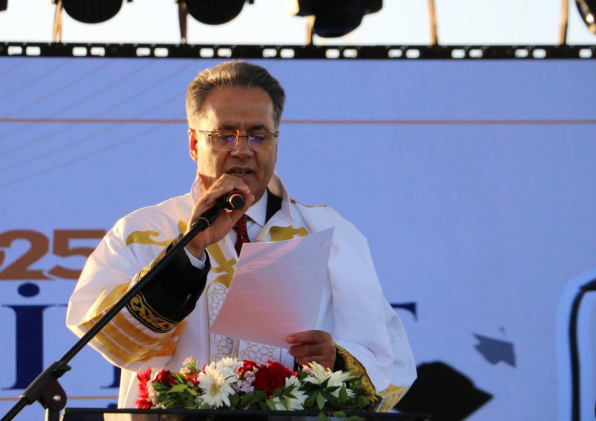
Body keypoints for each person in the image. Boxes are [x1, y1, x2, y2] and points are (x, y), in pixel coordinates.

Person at [66, 60, 416, 411]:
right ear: (194, 143)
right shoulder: (142, 231)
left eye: (258, 136)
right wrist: (189, 251)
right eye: (225, 135)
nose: (243, 149)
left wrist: (335, 361)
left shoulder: (329, 233)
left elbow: (392, 364)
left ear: (276, 144)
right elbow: (112, 341)